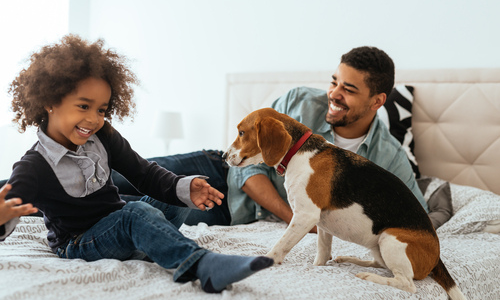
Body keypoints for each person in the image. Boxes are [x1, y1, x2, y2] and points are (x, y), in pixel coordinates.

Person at [4, 34, 273, 293]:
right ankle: (203, 265)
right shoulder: (34, 165)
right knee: (135, 214)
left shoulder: (103, 136)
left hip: (116, 225)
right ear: (50, 101)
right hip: (79, 242)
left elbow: (144, 173)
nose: (94, 119)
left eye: (101, 110)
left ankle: (148, 241)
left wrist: (184, 187)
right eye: (83, 106)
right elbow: (12, 204)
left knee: (171, 196)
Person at [114, 46, 430, 231]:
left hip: (232, 211)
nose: (333, 94)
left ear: (376, 101)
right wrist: (297, 220)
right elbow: (249, 169)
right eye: (335, 82)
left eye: (349, 90)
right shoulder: (299, 103)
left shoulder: (387, 157)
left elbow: (416, 216)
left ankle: (74, 211)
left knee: (137, 213)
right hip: (221, 167)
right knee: (122, 175)